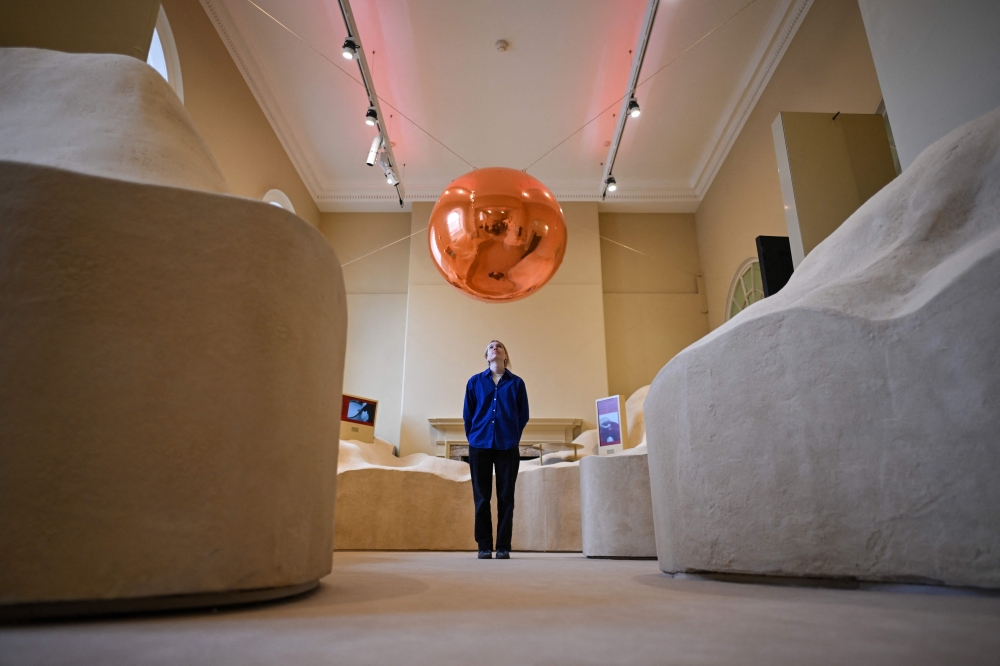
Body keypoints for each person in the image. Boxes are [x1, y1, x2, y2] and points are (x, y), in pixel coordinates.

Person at [463, 340, 529, 560]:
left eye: (499, 346)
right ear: (487, 357)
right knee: (481, 497)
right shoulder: (474, 382)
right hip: (479, 445)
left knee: (505, 497)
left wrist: (512, 436)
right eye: (491, 347)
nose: (495, 348)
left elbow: (523, 414)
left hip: (507, 445)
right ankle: (483, 545)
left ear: (505, 355)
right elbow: (468, 414)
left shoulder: (517, 383)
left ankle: (502, 546)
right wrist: (473, 438)